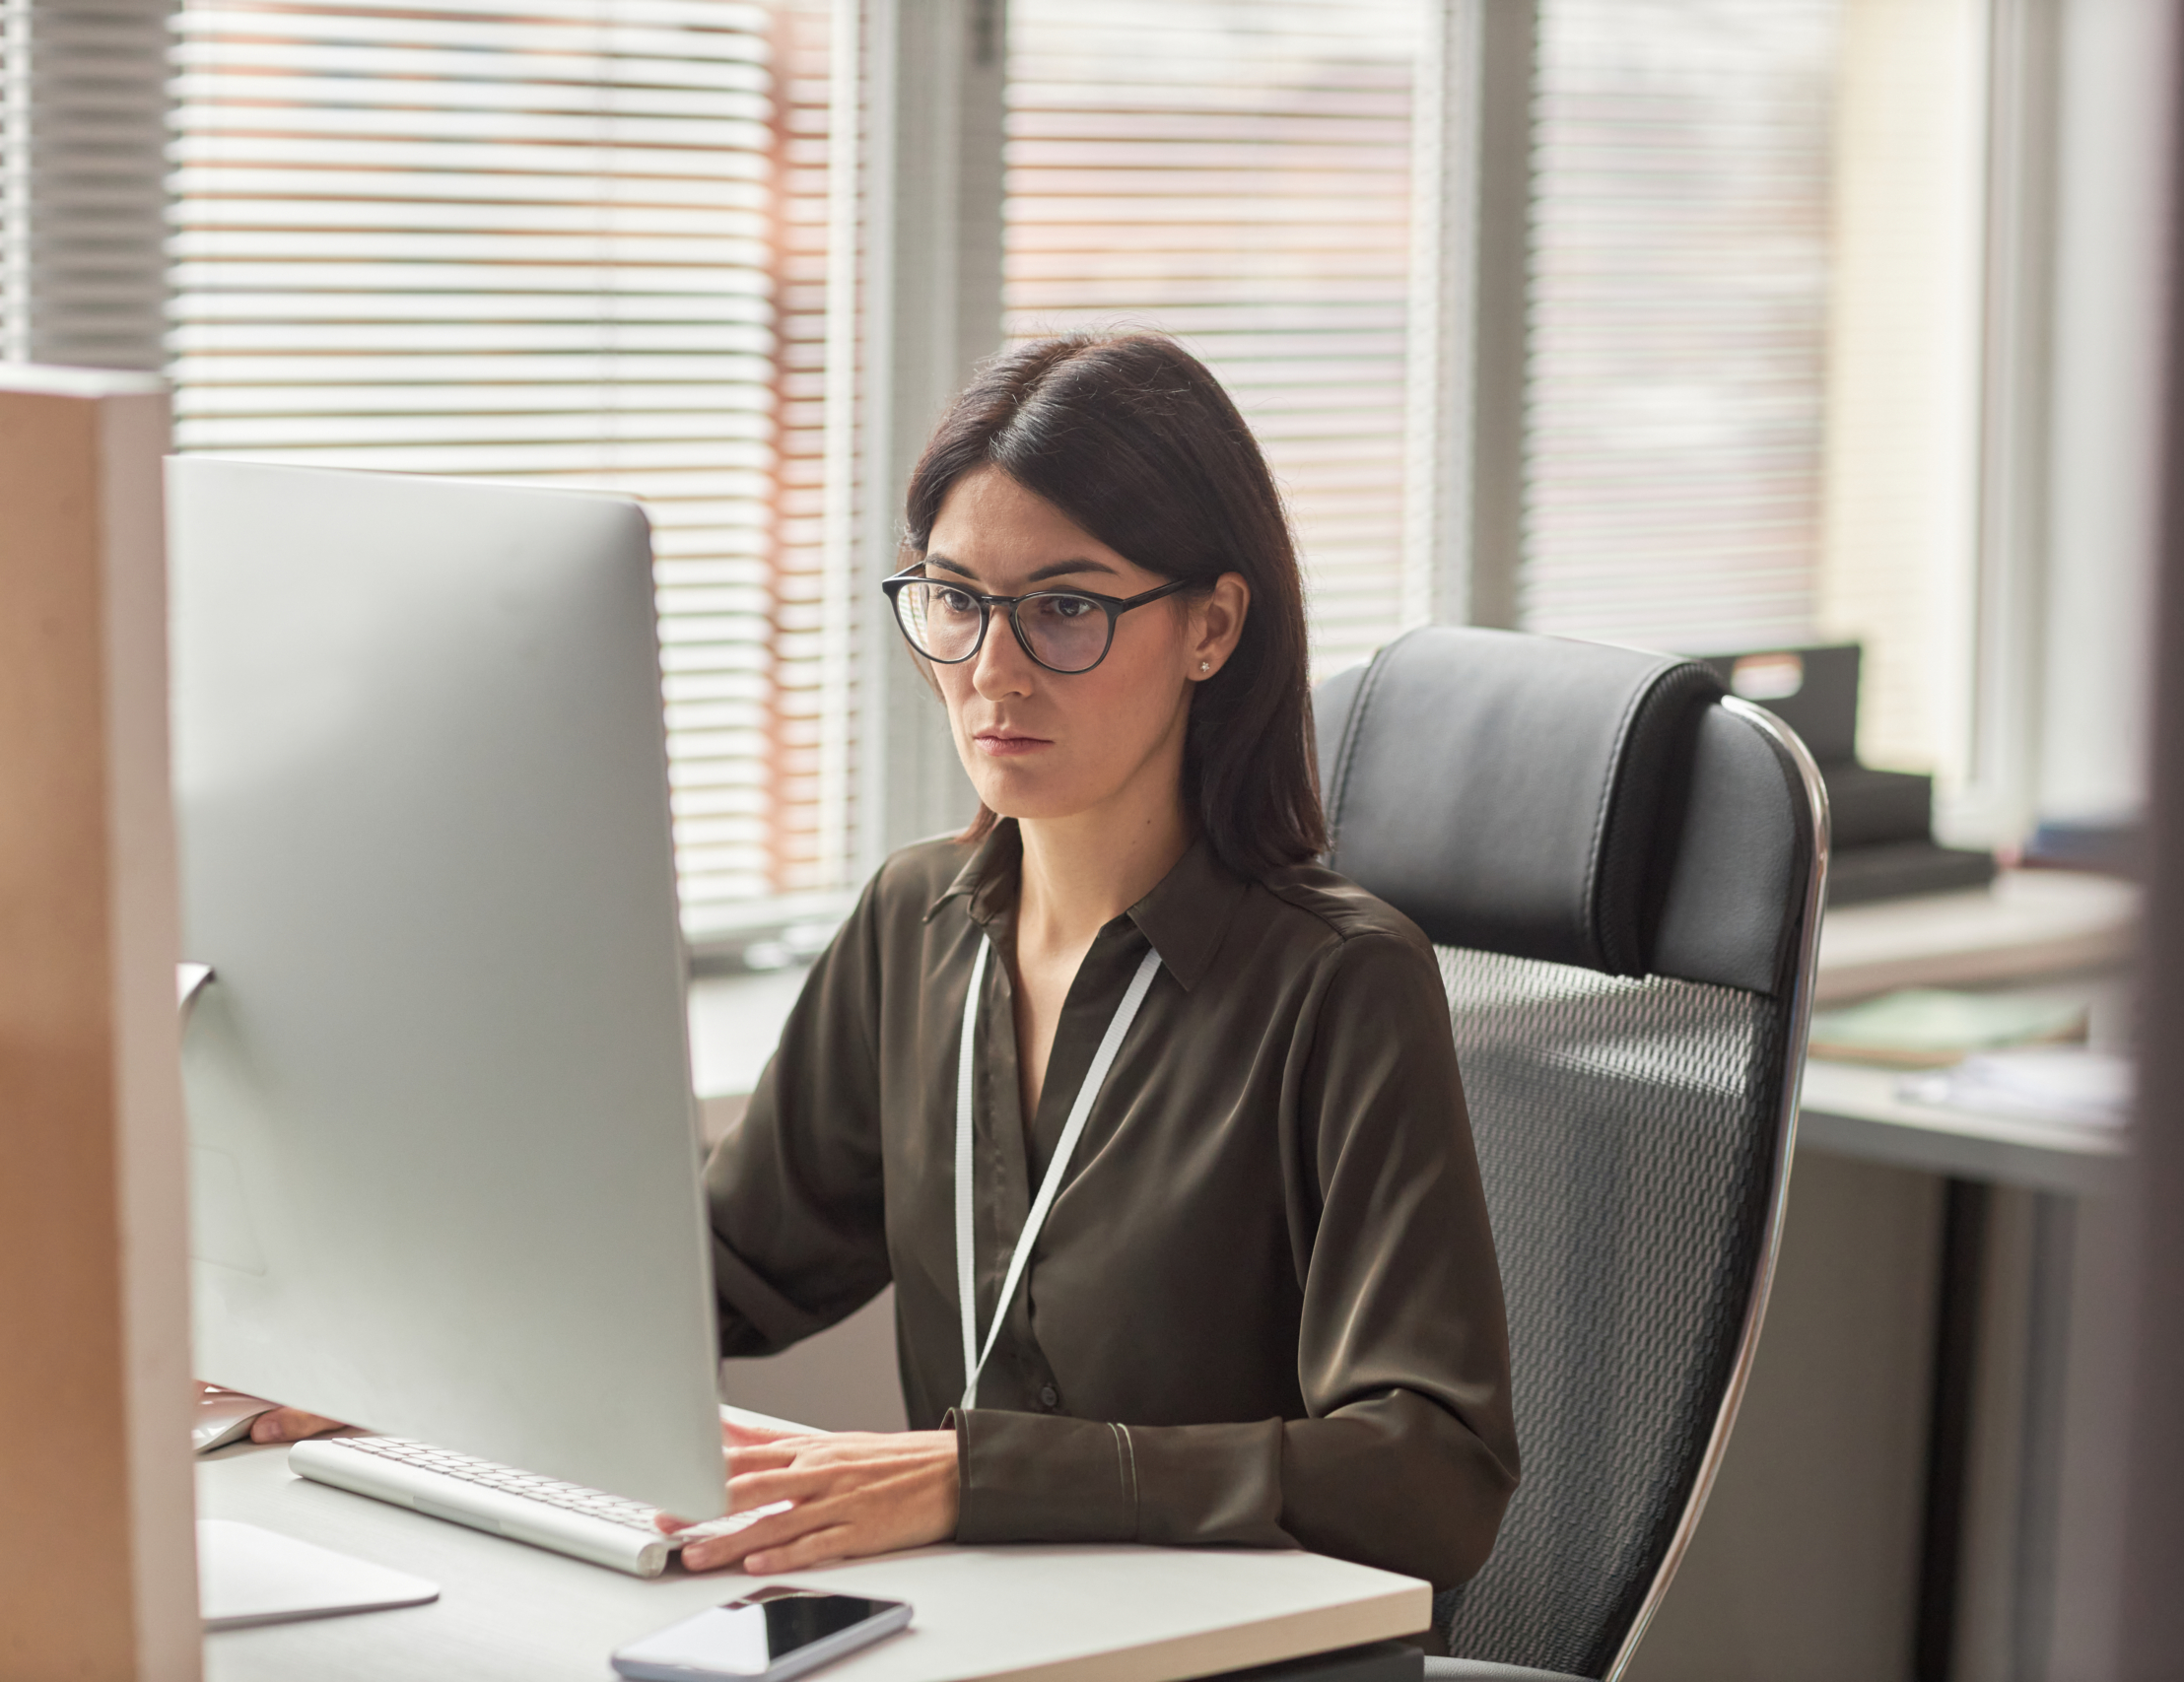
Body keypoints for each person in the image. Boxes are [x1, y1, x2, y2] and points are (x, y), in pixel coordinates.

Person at [248, 330, 1520, 1591]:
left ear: (1213, 626)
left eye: (1065, 609)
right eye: (957, 602)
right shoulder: (915, 927)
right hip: (982, 1639)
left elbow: (1430, 1478)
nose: (993, 672)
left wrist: (974, 1477)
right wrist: (384, 1372)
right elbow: (709, 1277)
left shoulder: (1341, 985)